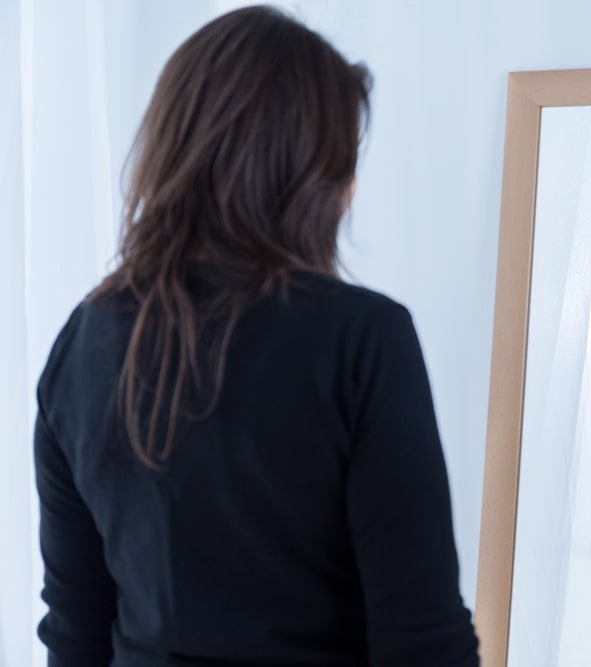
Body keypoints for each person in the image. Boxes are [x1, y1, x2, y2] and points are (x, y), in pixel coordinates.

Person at [33, 6, 479, 666]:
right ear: (310, 176)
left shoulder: (82, 341)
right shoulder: (363, 339)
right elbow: (422, 642)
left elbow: (76, 632)